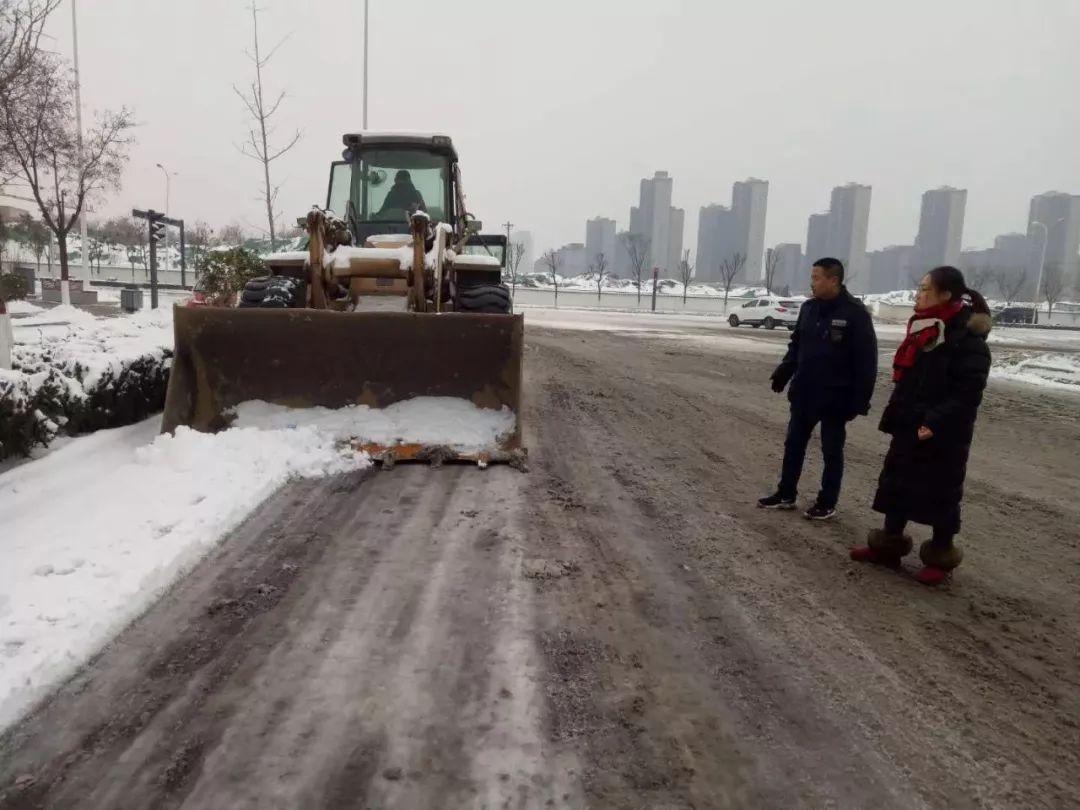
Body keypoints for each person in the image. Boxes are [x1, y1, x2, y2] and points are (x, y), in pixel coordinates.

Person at [850, 266, 991, 585]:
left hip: (944, 433)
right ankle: (888, 545)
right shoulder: (923, 329)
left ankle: (941, 557)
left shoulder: (967, 339)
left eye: (926, 289)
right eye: (920, 287)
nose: (918, 294)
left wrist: (934, 421)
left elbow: (969, 393)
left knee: (941, 491)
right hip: (910, 422)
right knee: (898, 482)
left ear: (946, 295)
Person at [758, 257, 878, 519]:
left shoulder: (855, 314)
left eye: (816, 278)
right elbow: (797, 345)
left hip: (836, 398)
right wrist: (785, 371)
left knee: (831, 451)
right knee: (794, 445)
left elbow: (867, 362)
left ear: (833, 280)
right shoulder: (809, 309)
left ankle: (827, 501)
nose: (812, 283)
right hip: (805, 393)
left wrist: (860, 401)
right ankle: (786, 493)